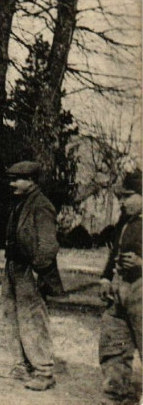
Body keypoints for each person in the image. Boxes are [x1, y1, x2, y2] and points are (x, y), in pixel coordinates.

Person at [0, 161, 59, 391]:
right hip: (13, 266)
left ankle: (44, 372)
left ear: (31, 181)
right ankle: (22, 366)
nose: (12, 183)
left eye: (17, 179)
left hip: (28, 270)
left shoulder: (41, 205)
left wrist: (37, 269)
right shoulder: (21, 203)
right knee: (12, 316)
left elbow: (49, 244)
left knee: (32, 318)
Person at [98, 170, 142, 405]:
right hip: (120, 290)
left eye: (128, 196)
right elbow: (114, 251)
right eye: (120, 197)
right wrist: (106, 278)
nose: (122, 202)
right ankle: (116, 396)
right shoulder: (125, 220)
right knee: (113, 344)